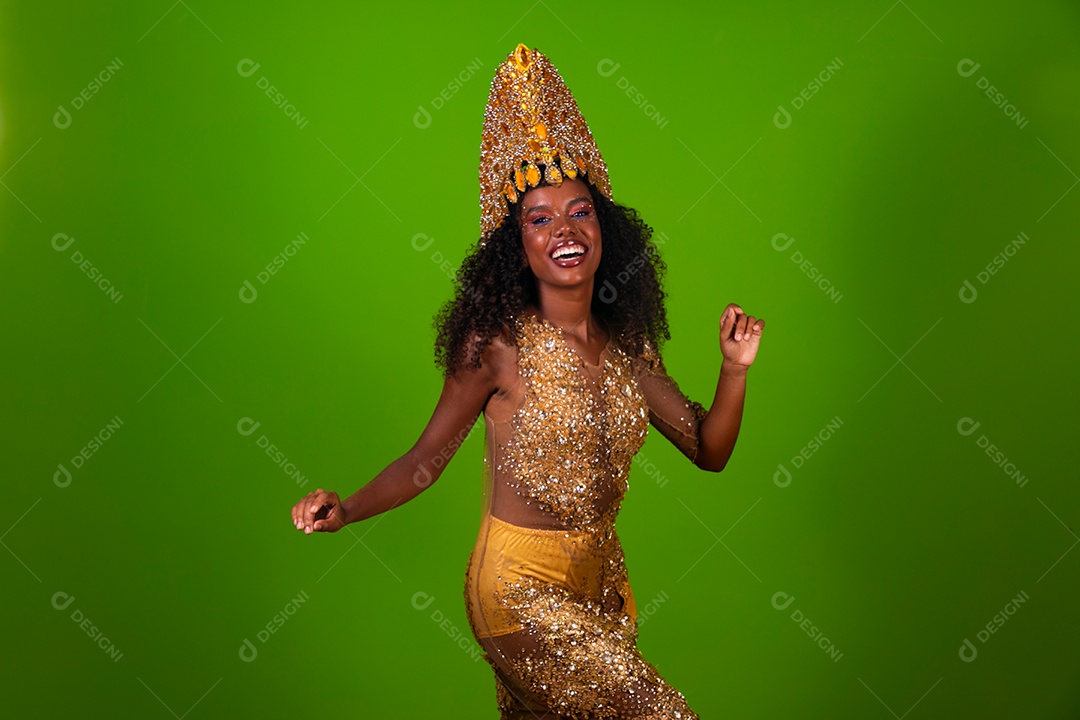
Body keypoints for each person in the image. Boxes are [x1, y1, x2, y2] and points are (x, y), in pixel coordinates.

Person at [290, 43, 764, 719]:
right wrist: (348, 509)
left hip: (601, 580)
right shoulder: (497, 347)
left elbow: (708, 449)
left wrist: (734, 371)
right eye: (539, 219)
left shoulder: (628, 346)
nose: (565, 230)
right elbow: (426, 460)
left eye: (580, 211)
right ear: (517, 246)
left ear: (606, 228)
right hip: (516, 589)